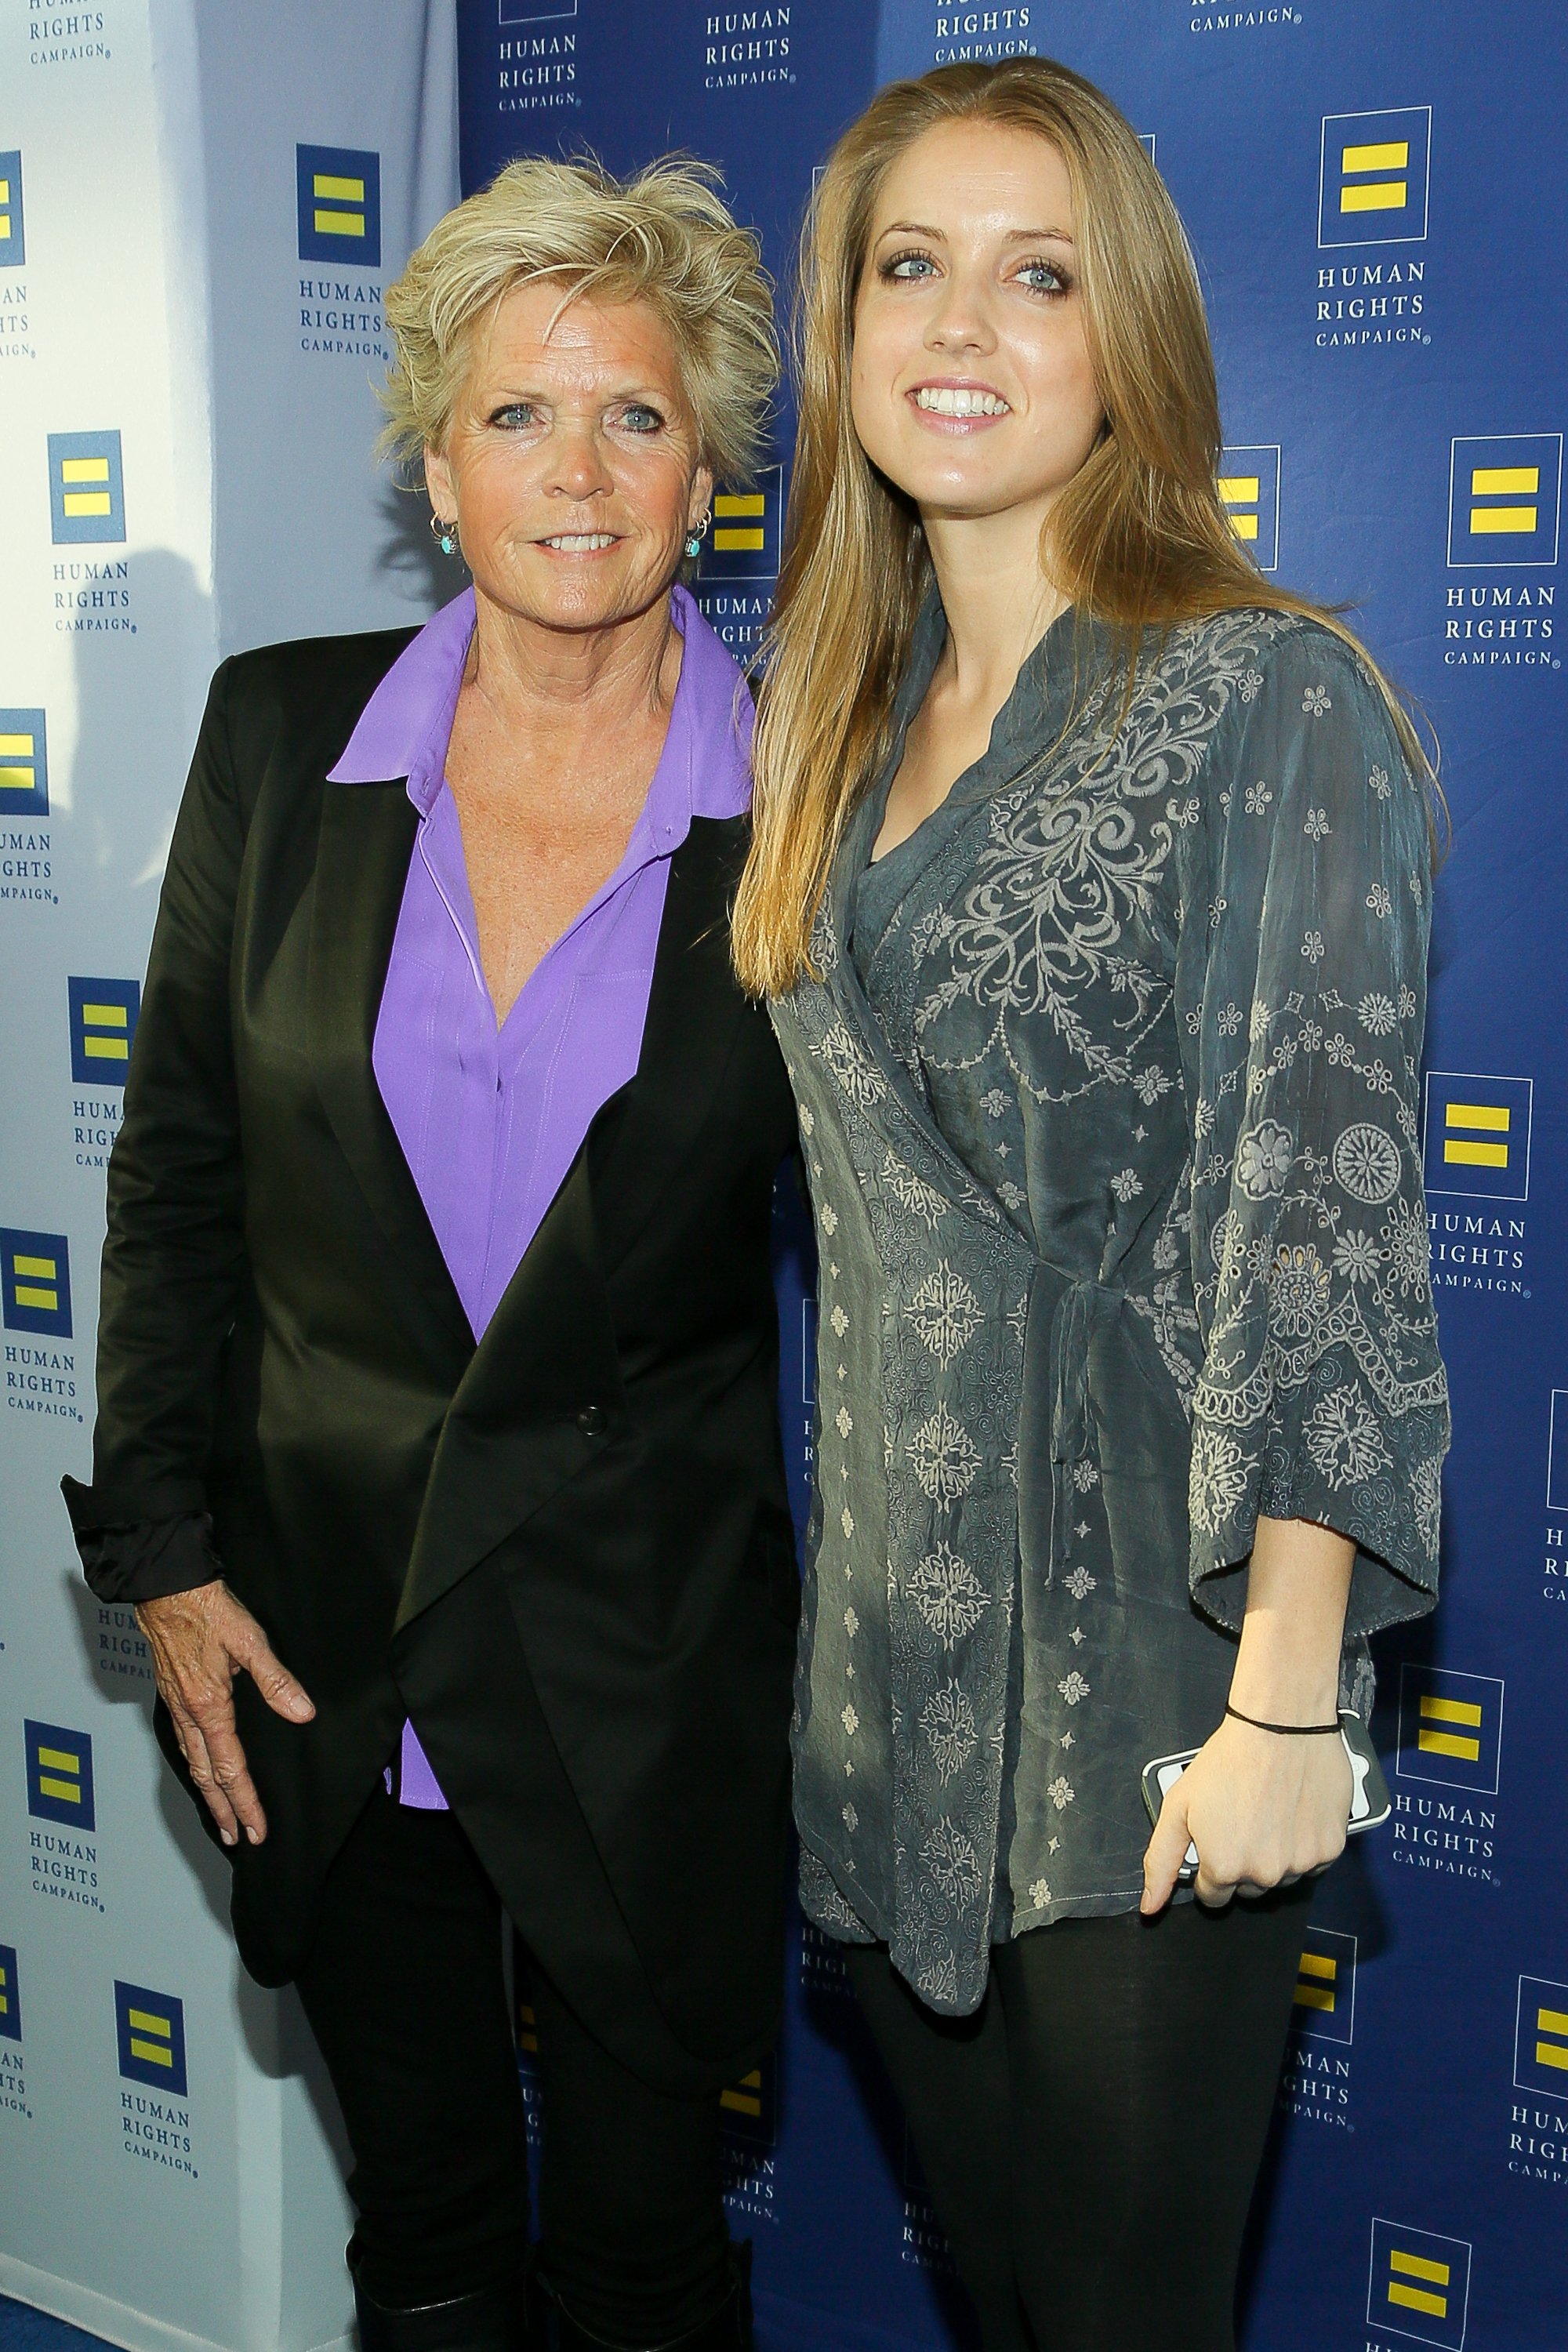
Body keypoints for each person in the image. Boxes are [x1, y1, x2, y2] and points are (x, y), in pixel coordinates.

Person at [733, 59, 1450, 2352]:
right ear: (841, 335)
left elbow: (1317, 1207)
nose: (963, 324)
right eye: (907, 267)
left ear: (1126, 334)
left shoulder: (1264, 699)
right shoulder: (832, 738)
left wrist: (1283, 1703)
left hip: (1159, 1709)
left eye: (1038, 273)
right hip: (890, 1710)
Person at [63, 157, 798, 2352]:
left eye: (636, 417)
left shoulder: (814, 810)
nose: (578, 473)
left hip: (643, 1673)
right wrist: (167, 1563)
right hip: (329, 1645)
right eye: (516, 416)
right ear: (433, 460)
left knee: (646, 2265)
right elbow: (179, 1168)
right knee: (436, 2250)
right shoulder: (281, 743)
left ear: (711, 464)